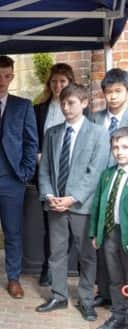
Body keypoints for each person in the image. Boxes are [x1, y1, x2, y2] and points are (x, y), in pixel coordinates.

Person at [36, 83, 109, 321]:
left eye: (71, 103)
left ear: (84, 103)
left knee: (86, 254)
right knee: (56, 253)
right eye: (63, 103)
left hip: (81, 205)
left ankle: (86, 299)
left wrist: (72, 198)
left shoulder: (97, 133)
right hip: (55, 204)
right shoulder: (52, 133)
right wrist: (49, 196)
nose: (66, 108)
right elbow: (45, 168)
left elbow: (95, 171)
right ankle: (58, 295)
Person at [0, 55, 38, 299]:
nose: (2, 80)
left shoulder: (22, 105)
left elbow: (30, 141)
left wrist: (26, 172)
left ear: (12, 77)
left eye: (7, 76)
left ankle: (13, 278)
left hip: (12, 179)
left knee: (12, 231)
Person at [34, 63, 76, 287]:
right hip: (46, 174)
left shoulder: (77, 108)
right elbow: (32, 138)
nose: (58, 85)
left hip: (71, 175)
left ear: (70, 83)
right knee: (49, 225)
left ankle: (60, 268)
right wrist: (37, 155)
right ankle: (47, 268)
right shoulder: (39, 108)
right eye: (54, 81)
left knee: (68, 226)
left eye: (62, 81)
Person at [90, 68, 128, 309]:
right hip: (100, 187)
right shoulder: (95, 118)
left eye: (118, 91)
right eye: (108, 92)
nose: (112, 97)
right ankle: (104, 292)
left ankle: (121, 303)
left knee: (120, 251)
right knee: (102, 246)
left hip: (124, 187)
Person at [90, 127, 128, 329]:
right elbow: (97, 205)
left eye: (125, 147)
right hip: (111, 233)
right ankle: (118, 315)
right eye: (115, 147)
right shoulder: (108, 174)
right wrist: (96, 232)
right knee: (115, 278)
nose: (119, 152)